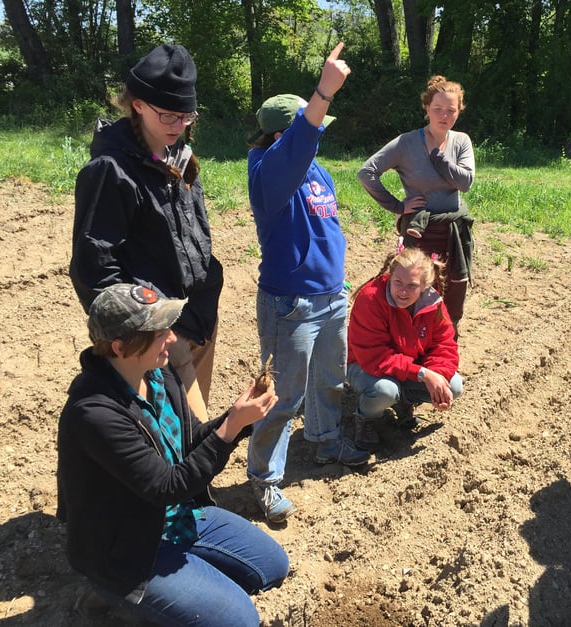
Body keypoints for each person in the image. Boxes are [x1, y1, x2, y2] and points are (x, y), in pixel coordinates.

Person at [57, 283, 289, 627]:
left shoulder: (158, 375)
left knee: (272, 566)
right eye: (158, 332)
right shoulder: (94, 414)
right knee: (240, 621)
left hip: (176, 518)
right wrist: (230, 427)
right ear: (120, 347)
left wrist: (238, 419)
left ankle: (180, 589)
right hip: (130, 550)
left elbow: (191, 440)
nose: (171, 338)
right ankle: (114, 594)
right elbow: (167, 486)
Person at [246, 42, 369, 525]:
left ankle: (323, 442)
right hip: (290, 303)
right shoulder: (268, 172)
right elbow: (299, 142)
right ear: (282, 134)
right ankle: (264, 479)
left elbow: (326, 227)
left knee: (328, 381)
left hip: (330, 296)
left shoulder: (318, 172)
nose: (318, 139)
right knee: (282, 396)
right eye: (310, 130)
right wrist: (323, 92)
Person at [70, 43, 222, 424]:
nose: (178, 125)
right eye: (168, 115)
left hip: (198, 319)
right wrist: (142, 335)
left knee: (188, 442)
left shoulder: (179, 157)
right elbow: (94, 268)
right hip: (157, 333)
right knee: (193, 444)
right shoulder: (110, 171)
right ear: (137, 105)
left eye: (187, 116)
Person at [357, 75, 475, 337]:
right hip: (420, 232)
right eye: (438, 109)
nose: (444, 116)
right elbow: (367, 173)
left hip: (453, 230)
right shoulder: (406, 143)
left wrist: (441, 159)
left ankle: (446, 342)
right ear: (427, 109)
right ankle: (410, 342)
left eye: (451, 110)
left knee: (455, 288)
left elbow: (465, 182)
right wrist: (398, 206)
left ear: (459, 111)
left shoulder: (461, 141)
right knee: (414, 286)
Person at [346, 246, 464, 450]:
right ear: (389, 276)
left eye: (411, 285)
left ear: (425, 286)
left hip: (407, 367)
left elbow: (444, 345)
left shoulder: (433, 303)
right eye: (398, 282)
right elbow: (375, 356)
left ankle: (404, 402)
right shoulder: (371, 298)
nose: (402, 291)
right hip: (364, 365)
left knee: (453, 385)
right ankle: (365, 418)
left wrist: (437, 377)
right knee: (385, 391)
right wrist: (422, 374)